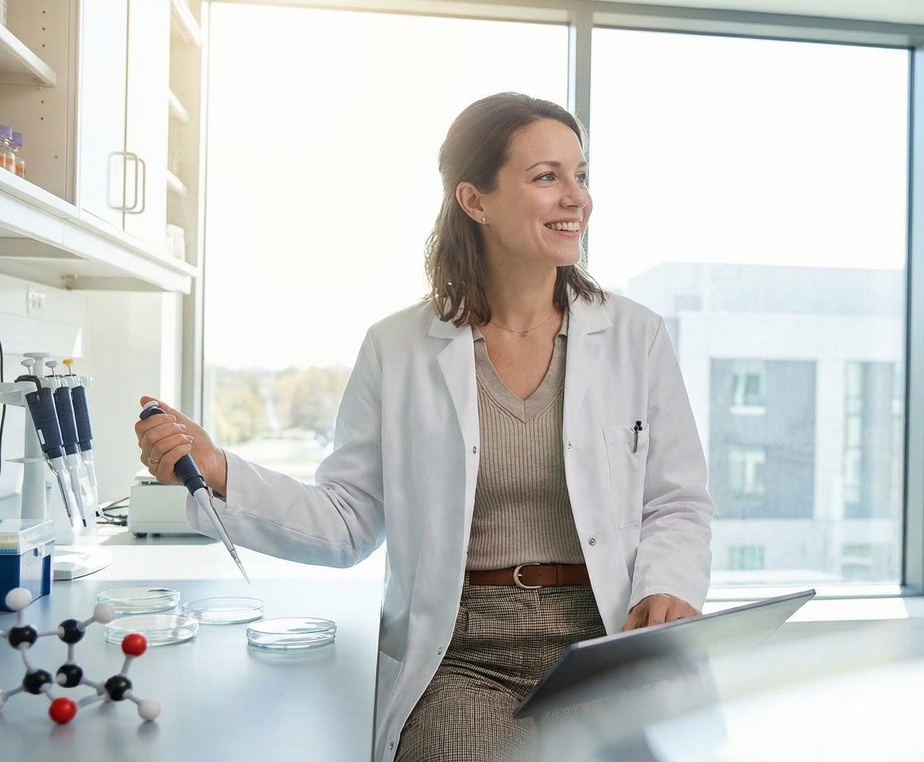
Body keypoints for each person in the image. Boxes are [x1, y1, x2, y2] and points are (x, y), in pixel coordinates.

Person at [134, 92, 714, 762]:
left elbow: (675, 501)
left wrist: (667, 586)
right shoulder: (398, 347)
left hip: (606, 638)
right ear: (475, 200)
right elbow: (350, 521)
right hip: (464, 653)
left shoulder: (635, 336)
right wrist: (219, 472)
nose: (575, 198)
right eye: (546, 177)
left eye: (580, 175)